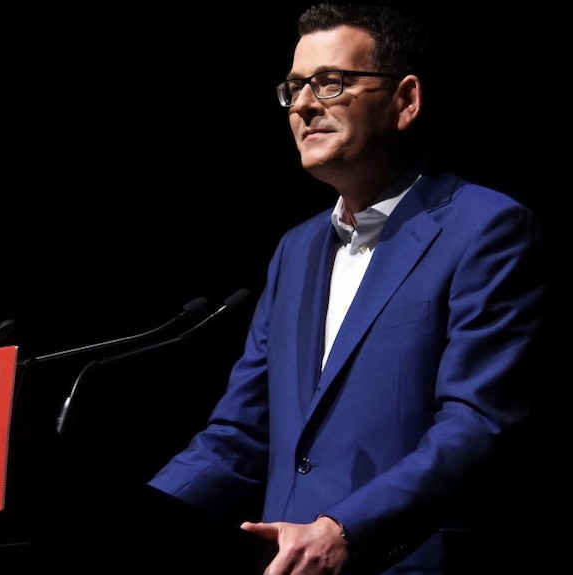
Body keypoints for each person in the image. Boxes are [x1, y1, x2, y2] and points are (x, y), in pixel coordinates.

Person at [146, 3, 547, 574]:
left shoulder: (486, 228)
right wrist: (135, 518)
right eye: (293, 88)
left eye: (331, 84)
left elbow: (477, 421)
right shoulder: (296, 250)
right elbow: (239, 432)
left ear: (406, 100)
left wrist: (346, 528)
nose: (305, 104)